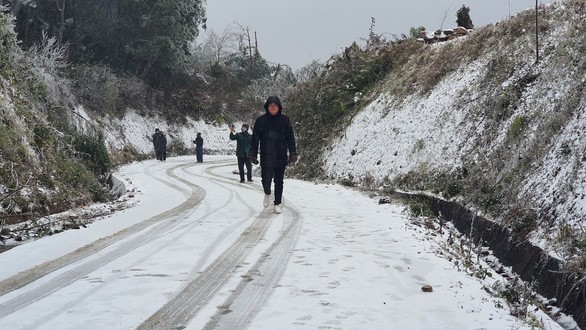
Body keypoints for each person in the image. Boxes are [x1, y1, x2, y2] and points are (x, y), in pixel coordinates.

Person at [250, 96, 297, 214]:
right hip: (266, 154)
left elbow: (290, 137)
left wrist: (292, 152)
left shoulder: (285, 120)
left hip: (280, 154)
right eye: (270, 105)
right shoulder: (260, 120)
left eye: (275, 105)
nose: (273, 107)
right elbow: (255, 139)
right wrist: (253, 153)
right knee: (266, 179)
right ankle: (267, 193)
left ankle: (277, 203)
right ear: (267, 107)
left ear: (279, 107)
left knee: (278, 181)